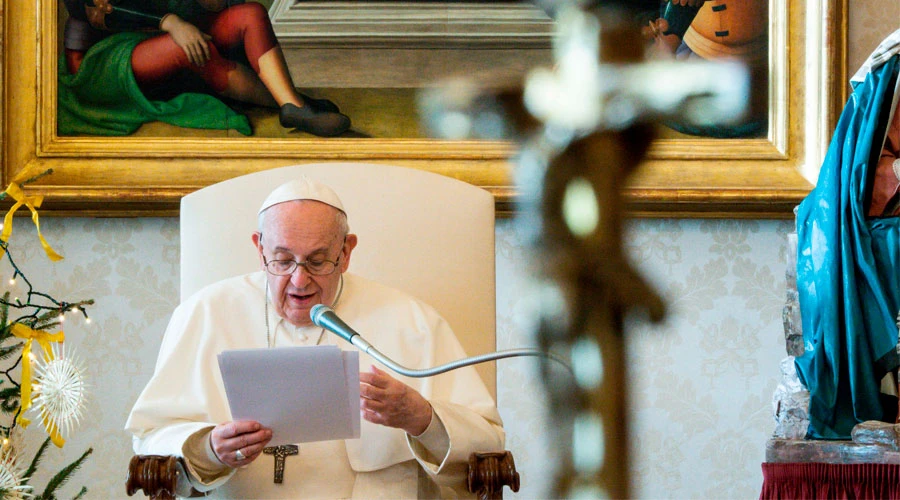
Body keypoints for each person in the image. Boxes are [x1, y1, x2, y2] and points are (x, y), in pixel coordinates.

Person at [125, 176, 504, 497]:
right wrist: (208, 448)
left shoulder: (411, 319)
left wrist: (422, 418)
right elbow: (151, 439)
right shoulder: (205, 313)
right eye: (283, 260)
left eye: (318, 261)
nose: (299, 280)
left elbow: (487, 445)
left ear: (346, 251)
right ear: (259, 248)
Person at [59, 0, 350, 137]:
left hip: (167, 30)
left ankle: (291, 104)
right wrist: (170, 22)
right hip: (103, 58)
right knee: (191, 48)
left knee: (250, 15)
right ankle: (290, 104)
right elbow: (93, 9)